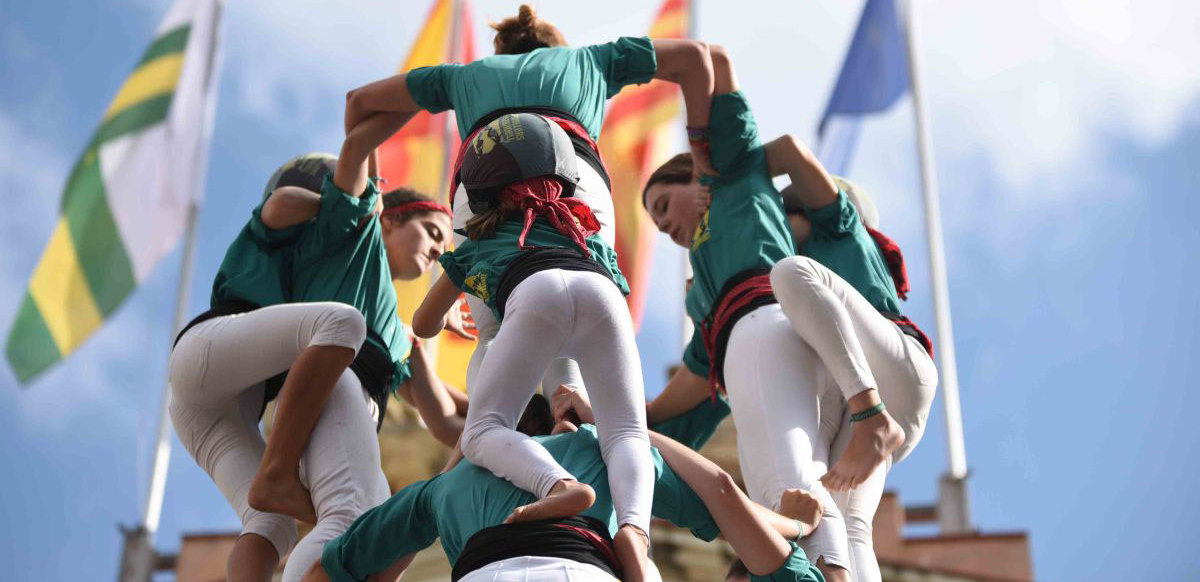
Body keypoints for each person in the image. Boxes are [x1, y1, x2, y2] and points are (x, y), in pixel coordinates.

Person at [343, 4, 716, 399]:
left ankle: (494, 432)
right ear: (556, 45)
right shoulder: (592, 60)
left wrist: (373, 198)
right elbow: (695, 57)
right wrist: (703, 157)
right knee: (574, 317)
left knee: (493, 330)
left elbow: (358, 103)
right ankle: (570, 416)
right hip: (573, 177)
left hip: (481, 186)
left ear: (503, 52)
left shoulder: (463, 76)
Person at [411, 112, 655, 580]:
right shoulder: (582, 228)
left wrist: (452, 312)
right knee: (626, 432)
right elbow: (609, 287)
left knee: (481, 431)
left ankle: (559, 485)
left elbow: (423, 324)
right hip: (600, 293)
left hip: (534, 292)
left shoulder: (478, 243)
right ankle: (634, 530)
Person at [640, 47, 851, 581]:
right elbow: (695, 376)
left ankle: (832, 573)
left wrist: (704, 151)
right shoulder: (703, 285)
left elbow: (717, 62)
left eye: (663, 206)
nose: (662, 226)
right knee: (767, 485)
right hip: (743, 349)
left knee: (789, 476)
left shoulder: (731, 176)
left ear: (692, 177)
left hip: (767, 323)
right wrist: (628, 416)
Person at [254, 126, 473, 580]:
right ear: (389, 220)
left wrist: (521, 420)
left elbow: (444, 415)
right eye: (432, 232)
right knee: (348, 518)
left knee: (376, 534)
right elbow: (362, 154)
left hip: (354, 412)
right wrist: (384, 113)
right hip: (325, 392)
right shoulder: (358, 241)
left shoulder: (398, 337)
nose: (436, 250)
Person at [303, 395, 827, 582]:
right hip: (581, 564)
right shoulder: (603, 451)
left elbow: (328, 572)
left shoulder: (439, 491)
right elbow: (720, 495)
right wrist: (801, 521)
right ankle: (636, 542)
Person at [168, 152, 367, 582]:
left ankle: (275, 481)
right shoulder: (272, 219)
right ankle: (278, 471)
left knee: (270, 525)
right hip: (208, 350)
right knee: (342, 322)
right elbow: (283, 203)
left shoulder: (310, 261)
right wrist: (337, 204)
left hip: (211, 410)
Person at [767, 172, 938, 582]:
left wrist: (734, 170)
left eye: (783, 217)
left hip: (893, 372)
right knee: (847, 525)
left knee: (791, 273)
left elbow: (794, 155)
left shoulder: (840, 228)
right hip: (867, 400)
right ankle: (871, 417)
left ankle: (872, 415)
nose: (777, 232)